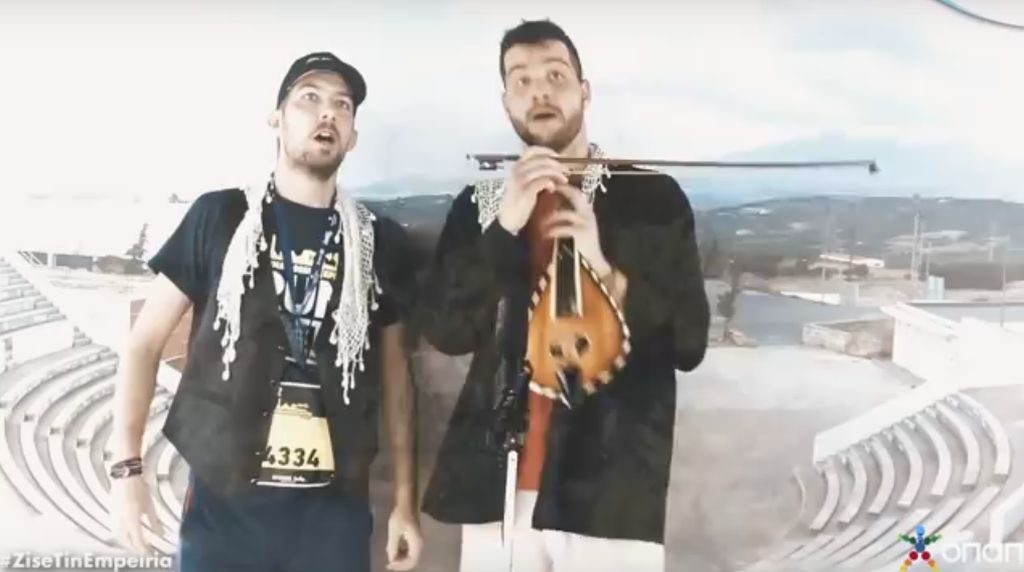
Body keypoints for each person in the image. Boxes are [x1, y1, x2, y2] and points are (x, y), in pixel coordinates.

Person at [109, 52, 424, 572]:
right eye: (309, 99)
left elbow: (396, 380)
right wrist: (126, 469)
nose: (327, 113)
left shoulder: (377, 241)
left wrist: (405, 504)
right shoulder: (219, 216)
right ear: (276, 118)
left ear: (352, 137)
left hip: (333, 516)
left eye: (342, 106)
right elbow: (143, 343)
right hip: (224, 511)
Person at [416, 19, 709, 572]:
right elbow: (446, 331)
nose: (540, 93)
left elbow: (689, 343)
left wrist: (605, 269)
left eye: (555, 76)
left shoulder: (653, 197)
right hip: (499, 488)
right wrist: (505, 226)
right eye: (521, 81)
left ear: (584, 91)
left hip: (613, 492)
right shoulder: (481, 203)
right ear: (506, 102)